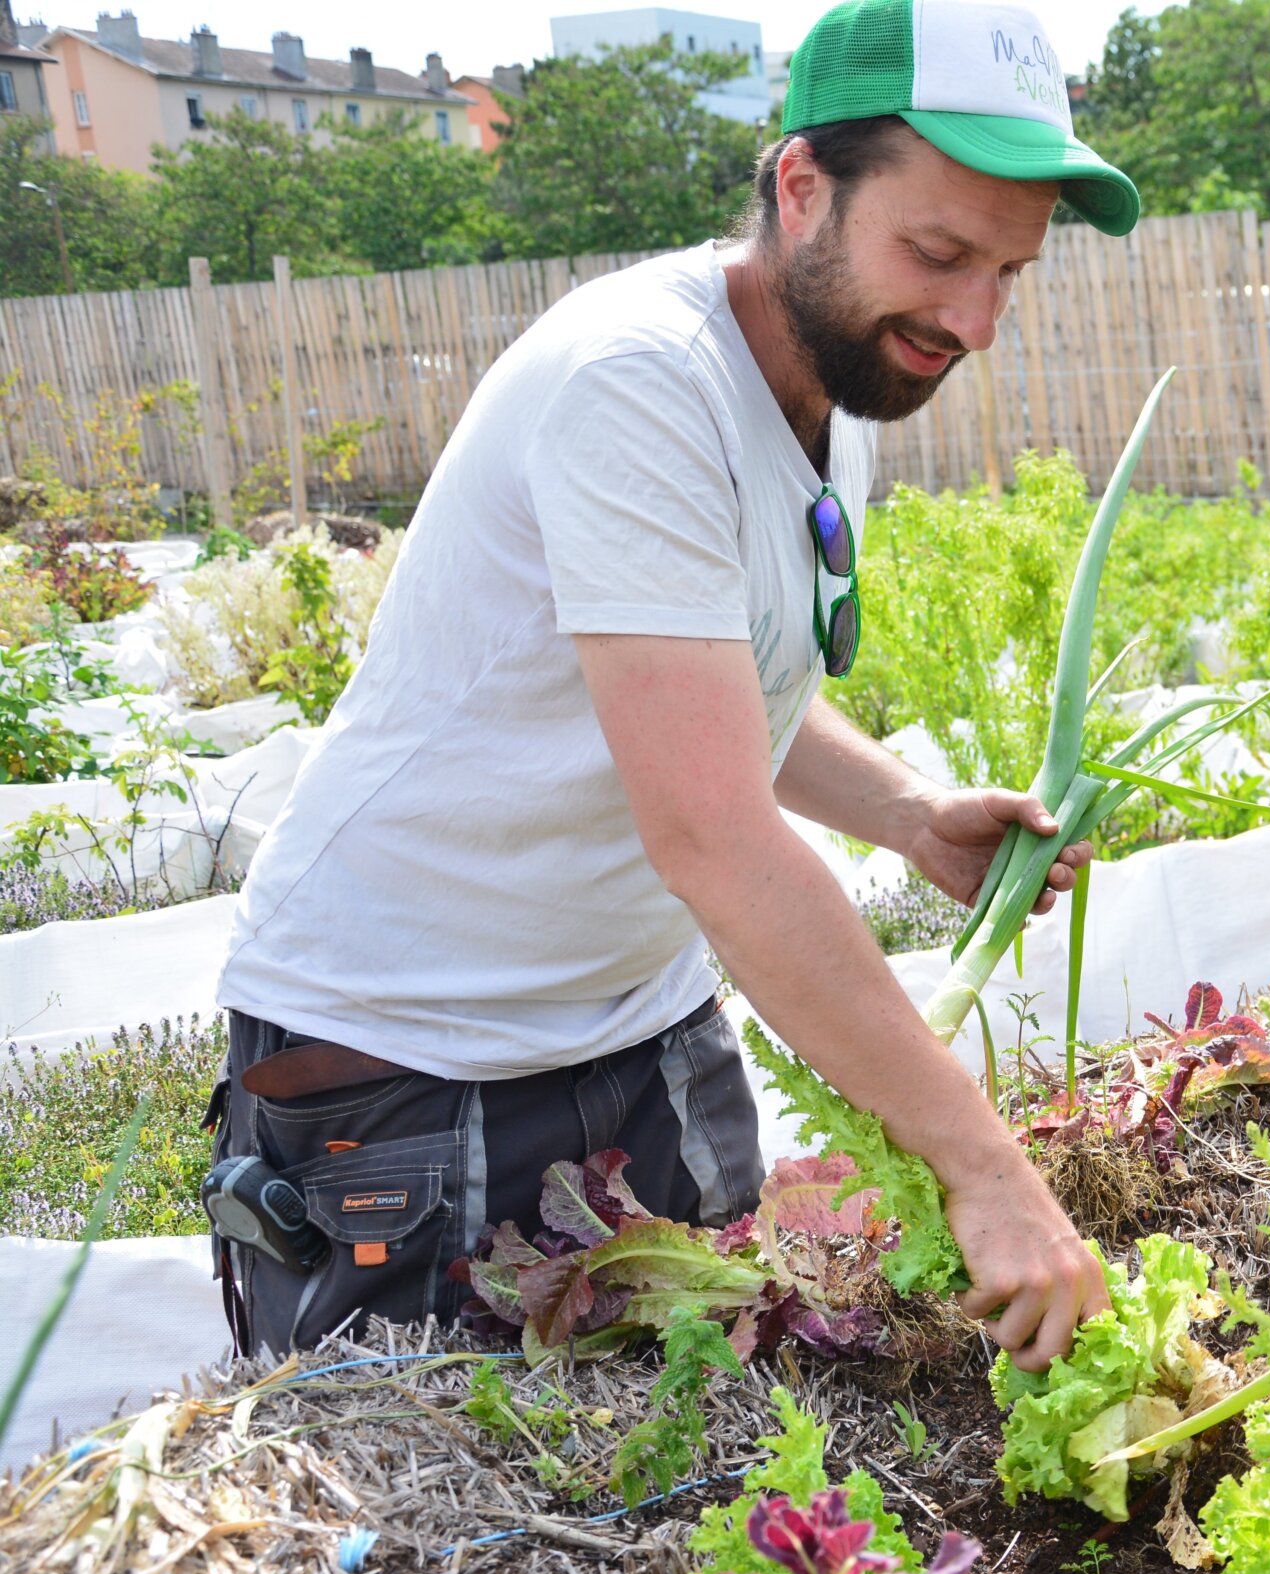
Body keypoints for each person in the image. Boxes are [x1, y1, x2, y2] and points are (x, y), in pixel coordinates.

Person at [204, 0, 1134, 1371]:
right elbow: (709, 827)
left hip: (636, 1023)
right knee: (479, 1529)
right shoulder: (640, 382)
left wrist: (906, 811)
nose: (976, 319)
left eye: (1011, 270)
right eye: (938, 253)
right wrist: (983, 1165)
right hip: (411, 1051)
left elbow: (724, 682)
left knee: (713, 1475)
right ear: (801, 186)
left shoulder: (832, 375)